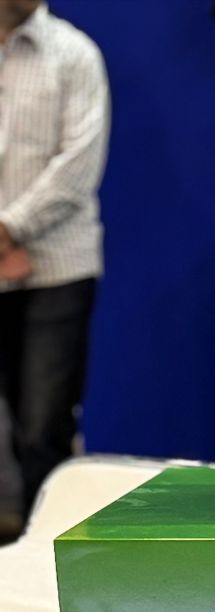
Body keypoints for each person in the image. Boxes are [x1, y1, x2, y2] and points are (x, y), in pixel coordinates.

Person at [0, 0, 109, 523]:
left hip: (58, 270)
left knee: (44, 424)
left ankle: (45, 550)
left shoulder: (75, 53)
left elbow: (78, 167)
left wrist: (8, 229)